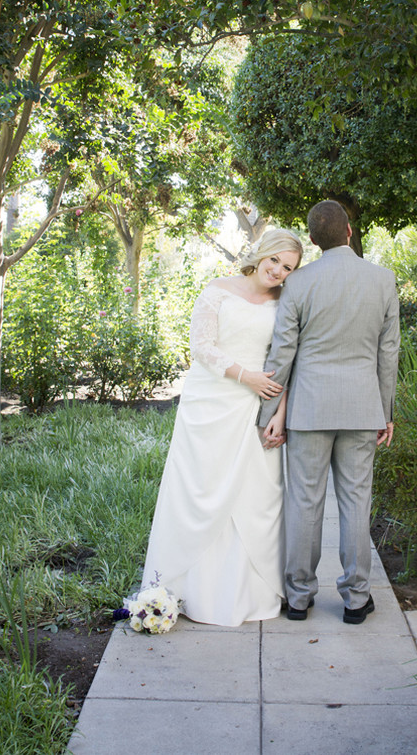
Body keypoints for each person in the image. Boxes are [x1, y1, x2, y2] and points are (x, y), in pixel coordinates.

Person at [140, 229, 303, 627]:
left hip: (257, 406)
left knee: (256, 496)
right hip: (211, 401)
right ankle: (186, 590)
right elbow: (202, 346)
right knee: (199, 490)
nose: (278, 271)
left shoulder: (286, 303)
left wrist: (278, 411)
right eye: (275, 261)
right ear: (261, 254)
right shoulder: (218, 288)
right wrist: (245, 375)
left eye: (288, 268)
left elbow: (288, 361)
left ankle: (251, 593)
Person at [258, 200, 400, 624]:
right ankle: (357, 599)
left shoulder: (299, 283)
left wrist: (268, 412)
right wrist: (386, 411)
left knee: (305, 501)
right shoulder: (383, 280)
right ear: (350, 232)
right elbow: (388, 352)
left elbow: (283, 351)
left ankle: (299, 597)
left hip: (309, 409)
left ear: (314, 241)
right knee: (357, 502)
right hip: (362, 408)